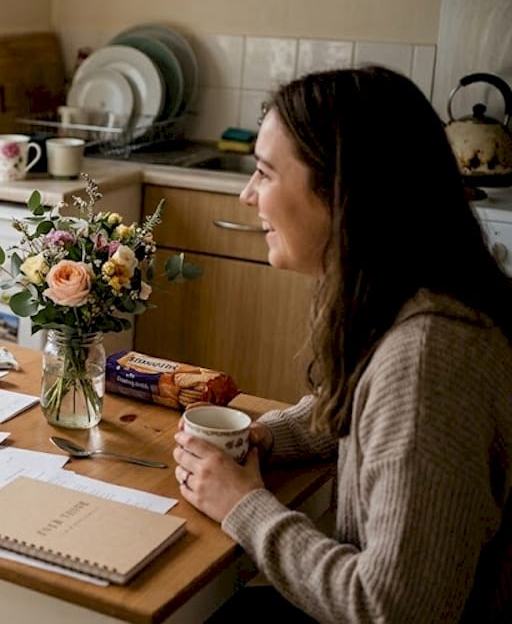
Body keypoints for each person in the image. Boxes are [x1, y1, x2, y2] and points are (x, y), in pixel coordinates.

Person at [172, 66, 512, 622]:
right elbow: (369, 416)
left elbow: (393, 609)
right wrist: (266, 436)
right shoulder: (410, 298)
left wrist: (243, 505)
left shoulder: (428, 358)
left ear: (340, 192)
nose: (246, 194)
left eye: (263, 173)